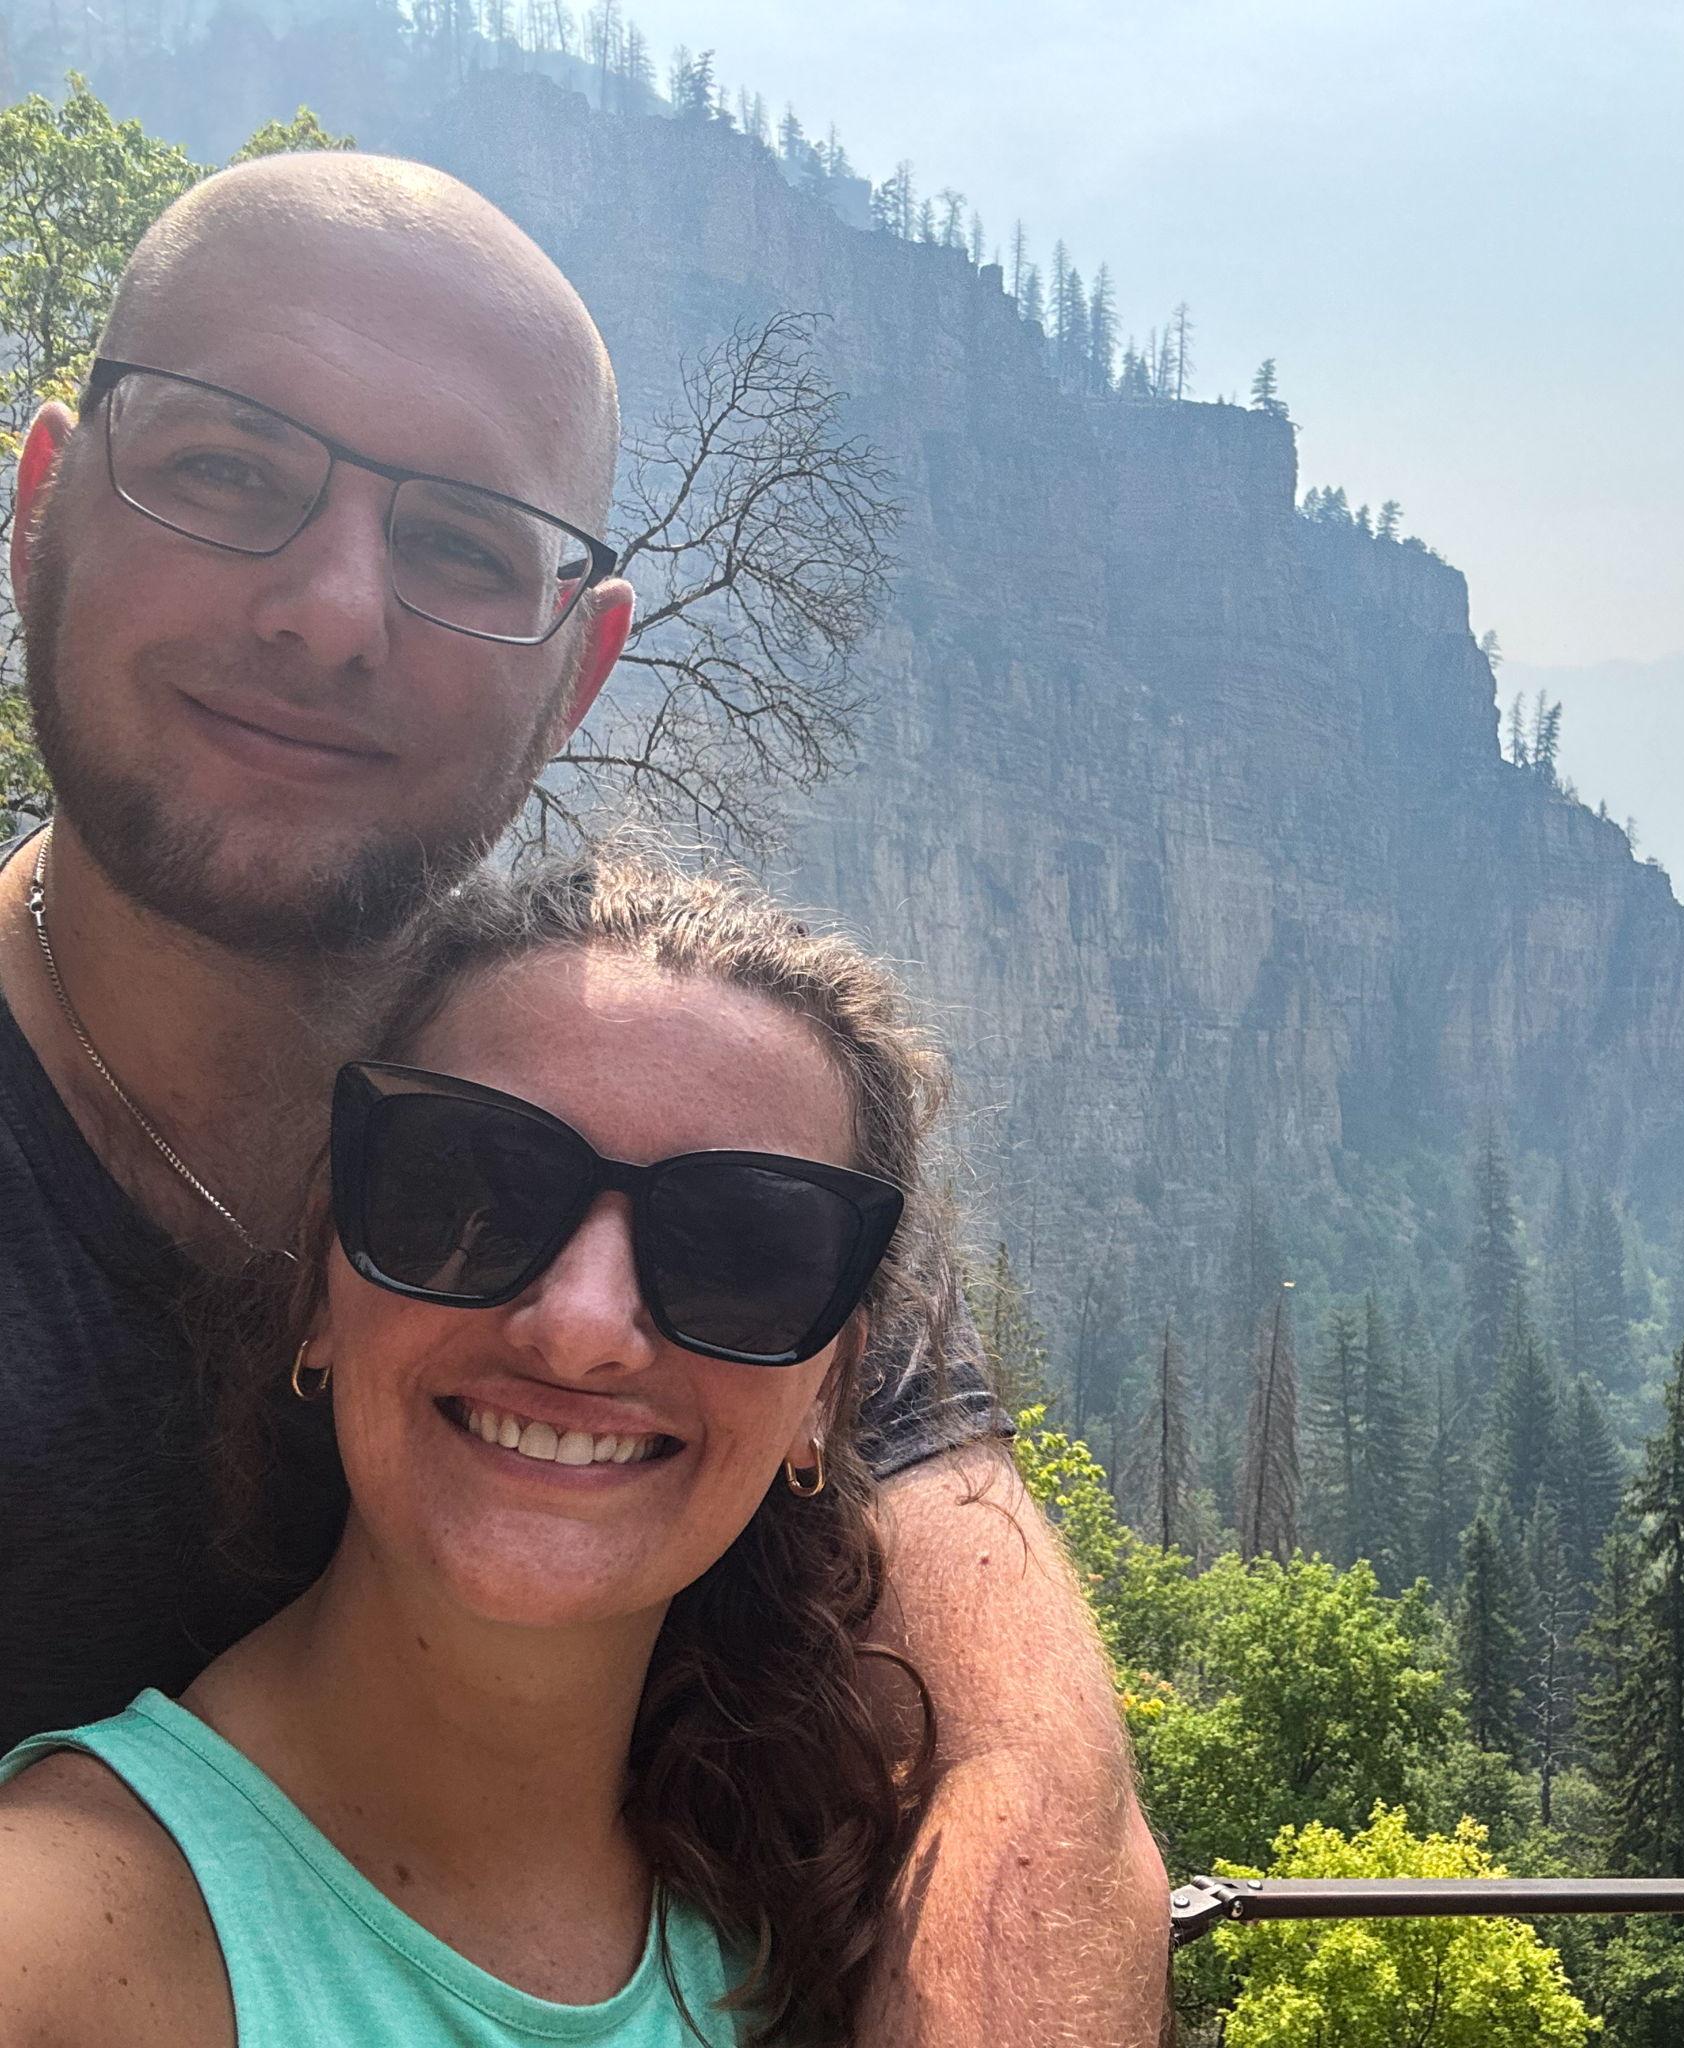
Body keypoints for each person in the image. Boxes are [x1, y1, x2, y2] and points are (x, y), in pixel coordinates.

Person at [0, 147, 1167, 2041]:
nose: (328, 610)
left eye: (461, 542)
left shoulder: (707, 1150)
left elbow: (1026, 1793)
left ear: (576, 671)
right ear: (43, 508)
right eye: (226, 469)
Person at [0, 850, 945, 2045]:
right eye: (471, 1195)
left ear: (829, 1391)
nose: (583, 1325)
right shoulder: (53, 1947)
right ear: (320, 1289)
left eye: (741, 1249)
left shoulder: (812, 1909)